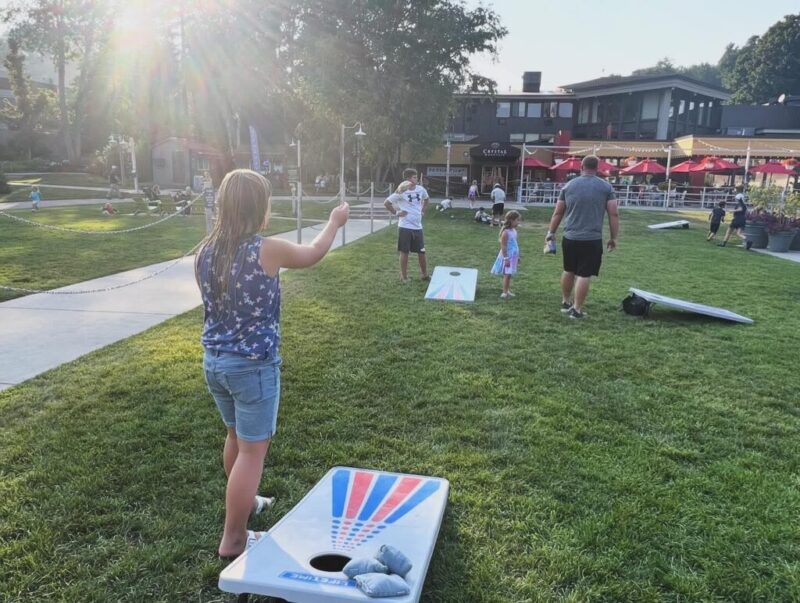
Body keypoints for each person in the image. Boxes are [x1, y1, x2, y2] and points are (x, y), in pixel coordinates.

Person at [195, 169, 349, 559]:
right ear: (260, 210)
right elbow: (313, 253)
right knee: (251, 452)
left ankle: (243, 506)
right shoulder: (266, 250)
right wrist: (334, 222)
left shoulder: (204, 251)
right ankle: (234, 538)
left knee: (235, 437)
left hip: (215, 363)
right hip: (253, 368)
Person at [545, 155, 619, 319]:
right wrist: (614, 238)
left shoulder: (569, 186)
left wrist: (551, 232)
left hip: (570, 237)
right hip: (591, 239)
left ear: (581, 166)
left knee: (568, 269)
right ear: (597, 168)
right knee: (584, 274)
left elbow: (558, 212)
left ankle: (566, 302)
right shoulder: (606, 187)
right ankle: (577, 310)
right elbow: (613, 213)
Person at [384, 168, 430, 283]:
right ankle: (404, 277)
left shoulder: (421, 189)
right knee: (404, 252)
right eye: (414, 177)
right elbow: (387, 203)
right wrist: (397, 213)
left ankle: (425, 275)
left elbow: (427, 199)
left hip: (418, 227)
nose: (417, 179)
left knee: (422, 251)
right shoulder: (401, 191)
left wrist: (423, 210)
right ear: (409, 179)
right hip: (405, 226)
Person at [491, 210, 521, 299]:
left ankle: (507, 290)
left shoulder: (514, 230)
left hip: (513, 256)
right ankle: (504, 292)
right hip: (508, 256)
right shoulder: (506, 232)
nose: (518, 222)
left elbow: (514, 243)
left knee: (509, 274)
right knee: (507, 274)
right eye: (517, 220)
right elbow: (503, 246)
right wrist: (506, 258)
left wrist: (517, 256)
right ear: (511, 220)